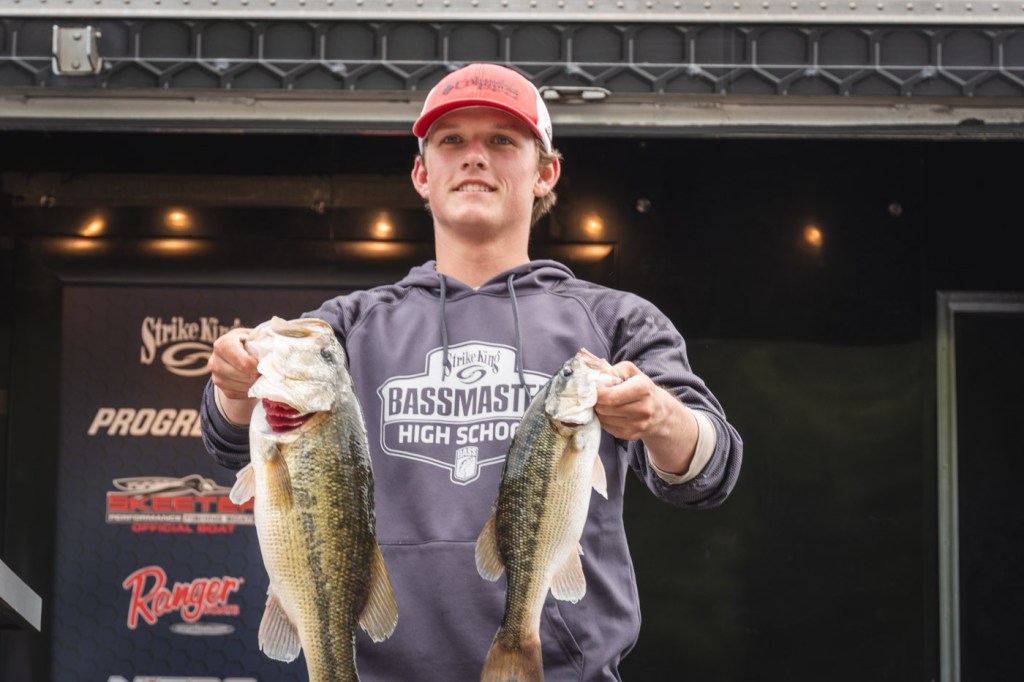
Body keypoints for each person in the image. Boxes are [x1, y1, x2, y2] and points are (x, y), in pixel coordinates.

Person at [200, 62, 742, 682]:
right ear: (421, 174)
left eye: (502, 140)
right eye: (451, 140)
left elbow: (710, 471)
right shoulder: (344, 327)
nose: (474, 156)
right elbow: (230, 441)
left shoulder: (616, 320)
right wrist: (235, 382)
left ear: (546, 173)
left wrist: (661, 417)